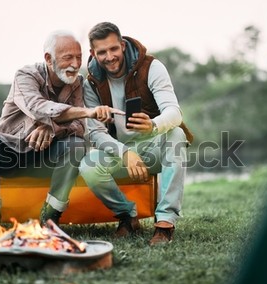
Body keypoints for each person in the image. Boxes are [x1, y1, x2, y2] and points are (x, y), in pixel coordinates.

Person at [0, 30, 121, 241]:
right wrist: (88, 112)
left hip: (46, 159)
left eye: (79, 57)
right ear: (48, 58)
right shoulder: (25, 75)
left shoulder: (77, 82)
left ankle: (50, 219)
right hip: (11, 156)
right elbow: (37, 107)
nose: (75, 64)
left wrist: (51, 128)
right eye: (68, 57)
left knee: (76, 144)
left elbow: (78, 127)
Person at [79, 22, 193, 246]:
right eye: (102, 52)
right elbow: (95, 133)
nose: (109, 56)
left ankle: (165, 222)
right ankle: (127, 217)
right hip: (121, 152)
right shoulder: (90, 83)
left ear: (122, 45)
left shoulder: (151, 67)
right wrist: (123, 153)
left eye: (113, 49)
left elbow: (174, 112)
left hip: (154, 147)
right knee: (88, 165)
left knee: (177, 135)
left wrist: (152, 125)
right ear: (93, 53)